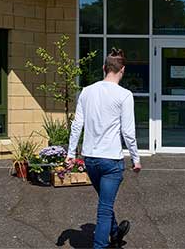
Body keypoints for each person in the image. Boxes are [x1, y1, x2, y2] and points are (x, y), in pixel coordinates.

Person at [67, 48, 141, 249]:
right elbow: (128, 132)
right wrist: (136, 159)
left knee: (105, 203)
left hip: (90, 159)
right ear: (122, 70)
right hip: (111, 162)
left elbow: (77, 125)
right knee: (104, 208)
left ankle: (115, 232)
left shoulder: (87, 91)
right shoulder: (125, 95)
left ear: (104, 68)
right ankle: (100, 246)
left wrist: (70, 154)